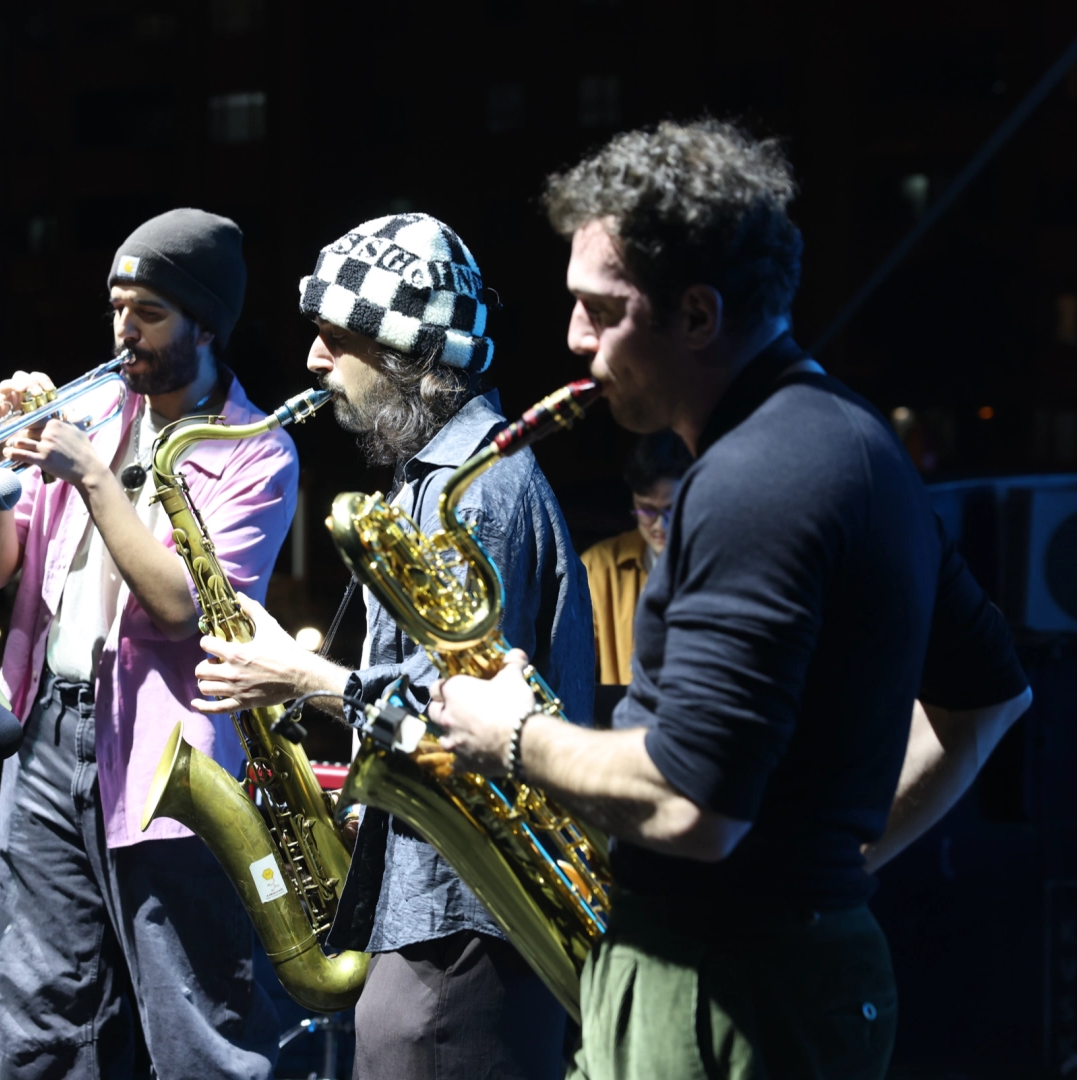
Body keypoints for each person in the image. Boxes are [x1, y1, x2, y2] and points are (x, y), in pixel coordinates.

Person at [429, 121, 1033, 1080]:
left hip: (715, 988)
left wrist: (510, 735)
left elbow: (690, 804)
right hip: (772, 967)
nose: (575, 338)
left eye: (602, 309)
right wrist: (827, 866)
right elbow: (990, 696)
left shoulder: (753, 480)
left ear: (697, 315)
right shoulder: (853, 440)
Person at [186, 212, 595, 1080]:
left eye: (336, 338)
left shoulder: (471, 493)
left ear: (407, 352)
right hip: (437, 912)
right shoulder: (436, 480)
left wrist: (298, 674)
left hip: (459, 922)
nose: (313, 360)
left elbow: (457, 717)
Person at [0, 208, 290, 1080]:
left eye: (149, 312)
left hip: (164, 755)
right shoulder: (89, 410)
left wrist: (89, 474)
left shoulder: (257, 451)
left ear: (204, 324)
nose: (124, 331)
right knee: (38, 1021)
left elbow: (180, 606)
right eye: (116, 308)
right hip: (42, 734)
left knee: (193, 1022)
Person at [581, 431, 691, 686]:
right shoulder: (600, 566)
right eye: (647, 511)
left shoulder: (720, 562)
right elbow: (573, 669)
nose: (660, 526)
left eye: (672, 510)